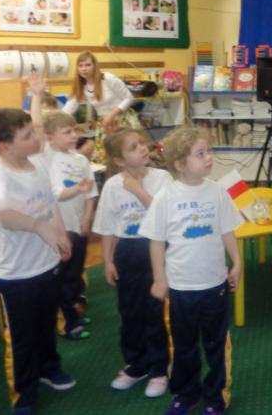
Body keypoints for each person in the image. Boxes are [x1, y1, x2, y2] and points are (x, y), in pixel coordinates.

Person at [139, 128, 242, 415]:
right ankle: (186, 395)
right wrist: (159, 278)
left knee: (216, 344)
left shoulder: (217, 191)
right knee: (183, 345)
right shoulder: (165, 197)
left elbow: (227, 230)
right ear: (180, 164)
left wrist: (237, 262)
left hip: (215, 285)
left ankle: (216, 396)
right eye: (200, 154)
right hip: (181, 288)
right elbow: (156, 241)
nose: (209, 157)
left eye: (208, 151)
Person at [0, 108, 75, 415]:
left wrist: (60, 233)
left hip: (47, 265)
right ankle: (24, 391)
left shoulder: (37, 162)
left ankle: (49, 368)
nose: (36, 138)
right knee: (22, 337)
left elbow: (49, 202)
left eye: (33, 131)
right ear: (5, 146)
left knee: (46, 325)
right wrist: (38, 227)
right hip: (16, 275)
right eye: (27, 136)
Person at [93, 128, 172, 399]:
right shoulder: (112, 186)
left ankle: (159, 368)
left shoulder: (162, 178)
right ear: (119, 160)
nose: (142, 148)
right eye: (133, 147)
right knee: (129, 312)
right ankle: (137, 365)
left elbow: (164, 217)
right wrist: (107, 261)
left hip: (156, 250)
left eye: (141, 143)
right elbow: (107, 227)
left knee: (155, 311)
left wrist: (138, 191)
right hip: (127, 252)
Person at [30, 98, 97, 341]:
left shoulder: (81, 160)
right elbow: (37, 125)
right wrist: (36, 94)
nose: (74, 135)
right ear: (49, 138)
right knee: (61, 277)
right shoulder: (47, 157)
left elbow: (90, 193)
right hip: (60, 229)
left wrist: (87, 218)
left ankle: (73, 311)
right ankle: (66, 322)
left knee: (74, 274)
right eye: (67, 132)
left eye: (74, 130)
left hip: (78, 227)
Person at [62, 52, 140, 163]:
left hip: (122, 120)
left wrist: (112, 115)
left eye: (88, 65)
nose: (84, 69)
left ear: (95, 66)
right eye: (81, 65)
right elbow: (69, 107)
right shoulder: (81, 85)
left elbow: (129, 98)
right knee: (104, 157)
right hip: (104, 123)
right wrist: (54, 120)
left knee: (127, 155)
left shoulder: (108, 78)